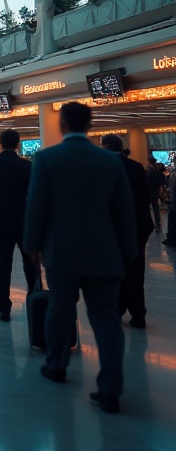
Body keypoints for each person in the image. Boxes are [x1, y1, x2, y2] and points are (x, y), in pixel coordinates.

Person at [23, 103, 136, 413]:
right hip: (105, 253)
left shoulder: (46, 159)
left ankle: (56, 364)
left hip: (62, 251)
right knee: (106, 319)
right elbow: (125, 213)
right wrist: (129, 252)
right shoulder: (111, 161)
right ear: (90, 125)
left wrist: (32, 245)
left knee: (60, 308)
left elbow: (37, 207)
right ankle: (110, 387)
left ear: (61, 124)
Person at [0, 129, 37, 322]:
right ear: (18, 143)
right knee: (30, 262)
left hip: (2, 220)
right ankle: (33, 299)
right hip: (25, 220)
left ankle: (4, 307)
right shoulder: (27, 166)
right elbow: (34, 193)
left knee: (3, 264)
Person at [100, 134, 152, 329]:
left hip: (115, 227)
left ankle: (118, 308)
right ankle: (138, 313)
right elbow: (144, 197)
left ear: (105, 147)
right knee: (136, 269)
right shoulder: (136, 167)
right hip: (139, 224)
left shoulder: (104, 168)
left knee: (116, 269)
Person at [146, 159, 164, 231]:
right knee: (155, 206)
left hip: (149, 191)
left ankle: (152, 222)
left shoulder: (149, 171)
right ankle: (157, 221)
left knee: (149, 207)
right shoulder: (157, 170)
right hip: (155, 191)